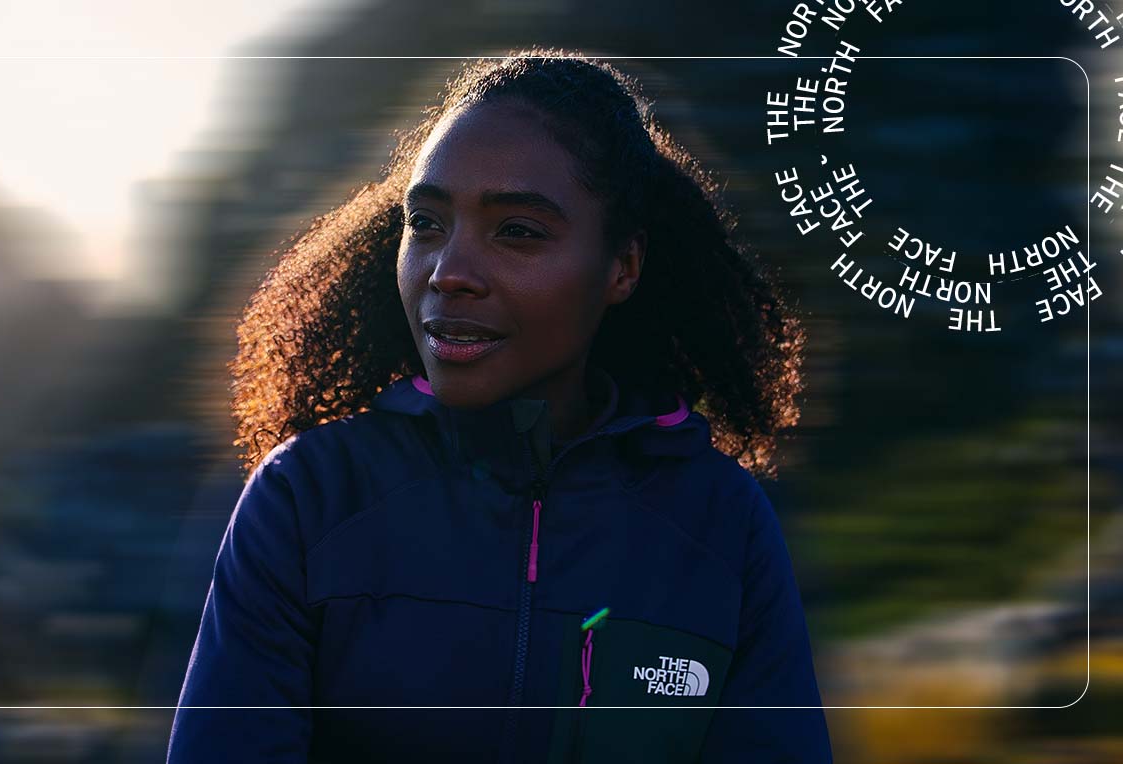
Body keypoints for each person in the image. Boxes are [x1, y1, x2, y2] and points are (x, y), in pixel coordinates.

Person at [166, 47, 831, 763]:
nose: (448, 273)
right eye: (425, 223)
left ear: (623, 267)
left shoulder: (722, 525)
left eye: (518, 231)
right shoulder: (310, 497)